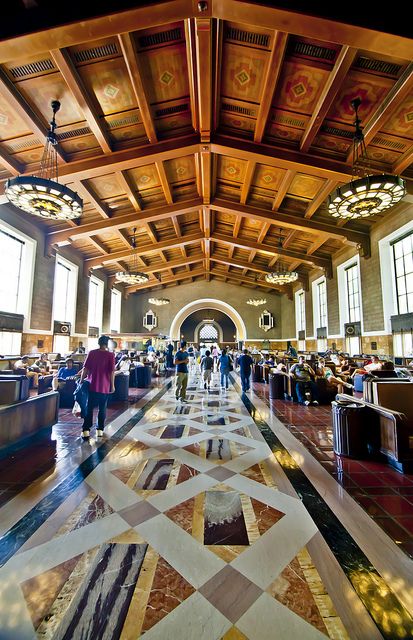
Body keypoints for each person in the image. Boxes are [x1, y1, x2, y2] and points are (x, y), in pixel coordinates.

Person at [79, 335, 115, 440]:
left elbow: (85, 368)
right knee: (102, 408)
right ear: (107, 344)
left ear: (98, 343)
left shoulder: (92, 353)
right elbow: (111, 372)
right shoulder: (110, 355)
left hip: (91, 385)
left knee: (89, 408)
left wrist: (81, 380)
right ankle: (100, 430)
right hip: (104, 386)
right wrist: (112, 385)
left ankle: (86, 430)